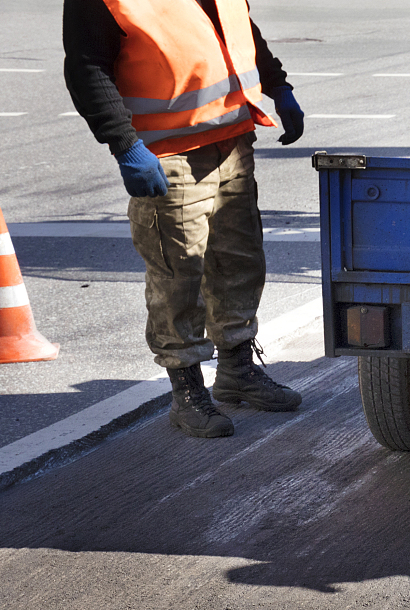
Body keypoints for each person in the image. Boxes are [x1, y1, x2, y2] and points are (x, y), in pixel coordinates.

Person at [63, 0, 306, 439]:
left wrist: (278, 85)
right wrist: (125, 145)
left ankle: (237, 372)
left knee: (239, 264)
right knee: (178, 276)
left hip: (232, 141)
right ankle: (187, 393)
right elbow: (86, 68)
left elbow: (238, 30)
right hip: (167, 154)